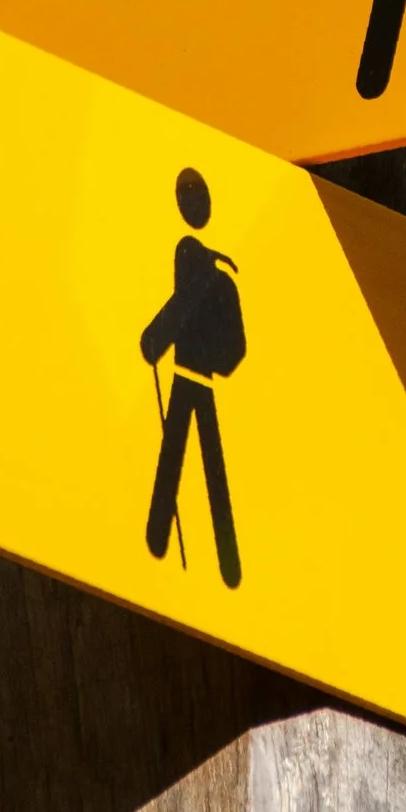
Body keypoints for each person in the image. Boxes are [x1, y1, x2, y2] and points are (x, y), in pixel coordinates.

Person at [140, 167, 244, 588]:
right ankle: (161, 540)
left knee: (205, 468)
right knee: (176, 462)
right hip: (189, 378)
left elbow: (236, 346)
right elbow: (183, 308)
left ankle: (223, 561)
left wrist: (156, 340)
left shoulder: (214, 278)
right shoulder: (198, 262)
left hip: (196, 379)